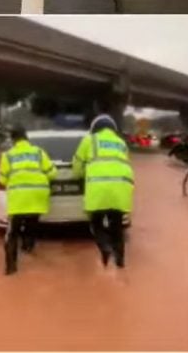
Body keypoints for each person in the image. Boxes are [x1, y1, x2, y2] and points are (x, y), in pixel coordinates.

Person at [71, 114, 135, 268]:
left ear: (94, 128)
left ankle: (105, 248)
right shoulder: (121, 142)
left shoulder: (89, 140)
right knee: (117, 227)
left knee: (96, 223)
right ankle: (120, 262)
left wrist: (79, 175)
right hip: (121, 188)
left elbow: (77, 166)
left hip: (98, 188)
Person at [0, 126, 56, 275]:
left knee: (12, 233)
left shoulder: (8, 156)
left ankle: (11, 268)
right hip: (38, 196)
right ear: (26, 138)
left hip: (18, 199)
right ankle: (28, 248)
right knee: (31, 223)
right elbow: (52, 173)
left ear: (12, 140)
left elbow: (2, 180)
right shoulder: (39, 152)